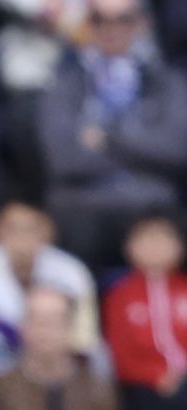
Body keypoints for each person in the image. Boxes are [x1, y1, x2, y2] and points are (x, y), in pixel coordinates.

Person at [36, 0, 187, 266]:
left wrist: (107, 139)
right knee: (77, 224)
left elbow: (176, 150)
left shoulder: (167, 81)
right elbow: (64, 158)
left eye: (123, 19)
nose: (111, 28)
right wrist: (141, 152)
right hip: (84, 208)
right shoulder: (64, 82)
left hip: (152, 205)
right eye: (99, 19)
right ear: (88, 24)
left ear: (142, 23)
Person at [0, 200, 99, 377]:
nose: (22, 239)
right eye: (13, 229)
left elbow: (84, 339)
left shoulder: (72, 272)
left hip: (54, 372)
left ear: (48, 230)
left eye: (31, 229)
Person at [102, 212, 187, 410]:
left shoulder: (184, 289)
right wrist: (156, 375)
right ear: (130, 247)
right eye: (146, 238)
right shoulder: (120, 295)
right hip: (144, 389)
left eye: (163, 238)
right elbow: (119, 355)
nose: (155, 246)